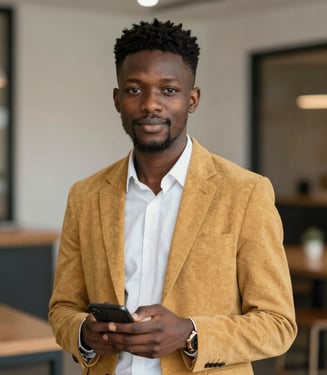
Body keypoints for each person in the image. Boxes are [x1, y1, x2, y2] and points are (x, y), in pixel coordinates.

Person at [48, 18, 297, 375]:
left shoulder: (246, 193)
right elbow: (62, 308)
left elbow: (278, 325)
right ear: (117, 100)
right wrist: (84, 334)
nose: (151, 104)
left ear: (191, 99)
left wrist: (191, 334)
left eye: (168, 90)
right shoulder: (85, 196)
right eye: (135, 90)